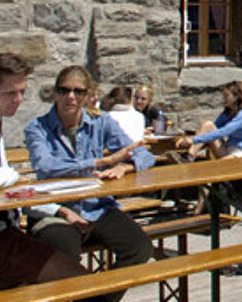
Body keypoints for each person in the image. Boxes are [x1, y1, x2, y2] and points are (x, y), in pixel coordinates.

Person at [25, 65, 154, 302]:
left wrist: (124, 166)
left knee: (140, 247)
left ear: (88, 94)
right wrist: (100, 161)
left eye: (78, 91)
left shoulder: (101, 122)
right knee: (65, 253)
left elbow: (144, 154)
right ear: (54, 93)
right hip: (56, 208)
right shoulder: (37, 128)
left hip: (96, 206)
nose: (70, 97)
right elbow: (45, 166)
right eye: (63, 90)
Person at [0, 54, 103, 297]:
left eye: (22, 92)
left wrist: (60, 211)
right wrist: (13, 175)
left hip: (6, 230)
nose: (18, 100)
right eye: (10, 93)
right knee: (84, 284)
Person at [176, 81, 242, 160]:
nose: (224, 99)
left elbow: (224, 132)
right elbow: (212, 131)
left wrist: (193, 140)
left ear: (236, 96)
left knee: (219, 167)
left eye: (226, 96)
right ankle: (189, 156)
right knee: (207, 125)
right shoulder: (227, 112)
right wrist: (187, 139)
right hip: (228, 149)